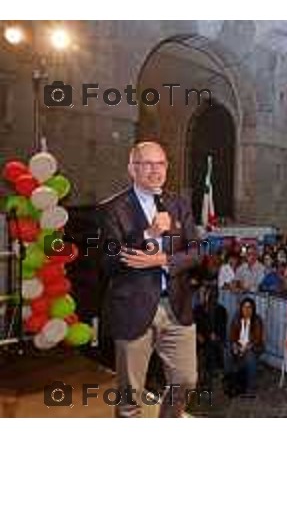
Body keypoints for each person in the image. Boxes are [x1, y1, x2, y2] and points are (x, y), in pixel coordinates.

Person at [99, 141, 202, 418]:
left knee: (185, 381)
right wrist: (148, 235)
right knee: (129, 400)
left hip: (176, 308)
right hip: (133, 309)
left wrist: (163, 261)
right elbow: (108, 263)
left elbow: (196, 252)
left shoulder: (179, 204)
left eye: (161, 164)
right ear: (132, 168)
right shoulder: (113, 209)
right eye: (148, 164)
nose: (156, 170)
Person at [227, 297, 264, 396]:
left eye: (249, 307)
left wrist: (245, 348)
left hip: (252, 347)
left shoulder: (257, 320)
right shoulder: (236, 318)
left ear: (253, 309)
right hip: (239, 345)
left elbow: (257, 339)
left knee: (249, 356)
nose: (247, 310)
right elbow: (232, 336)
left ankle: (251, 386)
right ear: (241, 308)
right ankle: (230, 381)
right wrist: (235, 346)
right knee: (227, 352)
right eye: (244, 307)